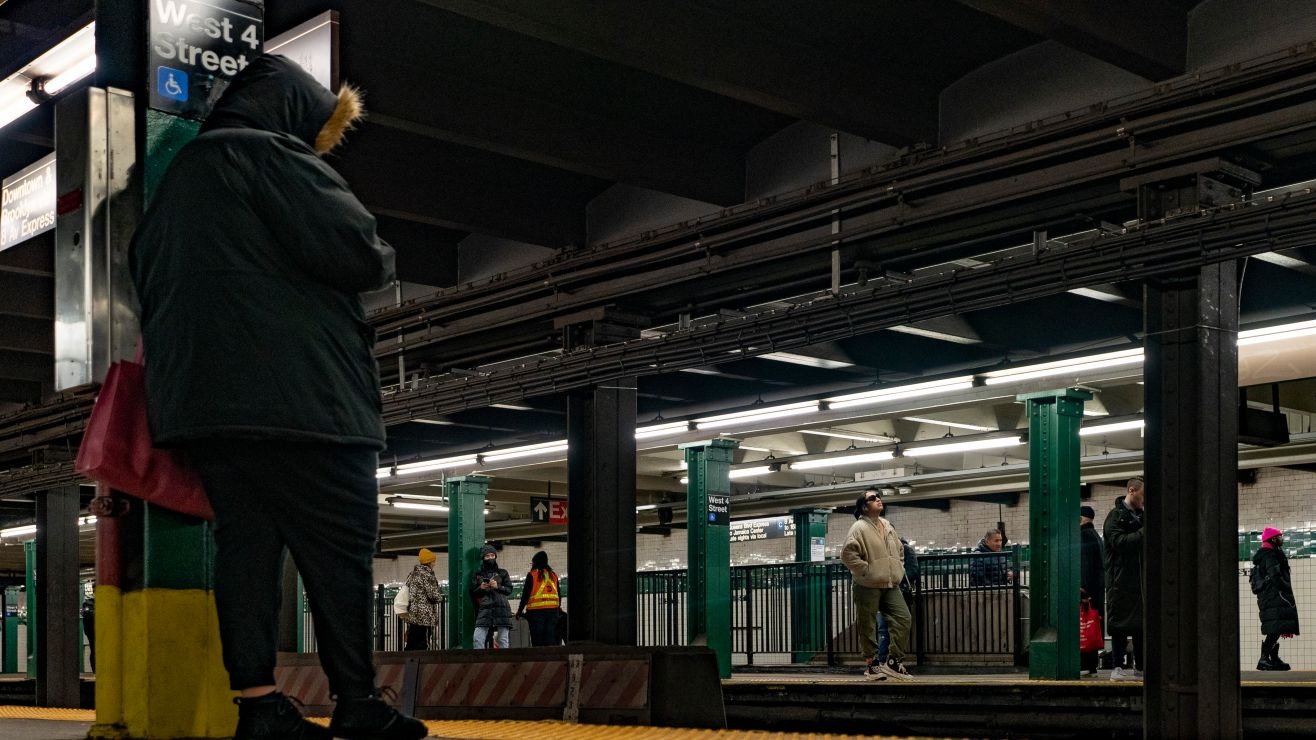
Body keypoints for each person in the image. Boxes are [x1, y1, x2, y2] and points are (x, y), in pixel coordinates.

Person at [129, 54, 424, 740]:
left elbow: (144, 277)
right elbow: (362, 254)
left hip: (208, 413)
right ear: (292, 112)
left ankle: (259, 704)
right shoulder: (274, 159)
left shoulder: (175, 186)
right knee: (340, 553)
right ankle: (357, 702)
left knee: (247, 551)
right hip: (306, 401)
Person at [841, 487, 913, 680]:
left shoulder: (887, 525)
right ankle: (872, 665)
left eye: (879, 497)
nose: (878, 499)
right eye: (873, 498)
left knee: (904, 618)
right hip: (867, 584)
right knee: (868, 624)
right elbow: (848, 554)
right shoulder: (859, 528)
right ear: (864, 507)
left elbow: (899, 550)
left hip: (890, 584)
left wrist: (899, 568)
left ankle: (893, 662)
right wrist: (866, 571)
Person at [1104, 476, 1145, 681]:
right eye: (1142, 495)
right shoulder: (1115, 516)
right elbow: (1118, 542)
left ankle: (1141, 666)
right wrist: (1144, 533)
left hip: (1138, 579)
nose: (1144, 500)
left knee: (1140, 624)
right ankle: (1117, 666)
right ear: (1131, 491)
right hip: (1119, 580)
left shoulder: (1141, 516)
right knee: (1119, 623)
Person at [1252, 527, 1299, 670]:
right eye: (1280, 536)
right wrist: (1285, 588)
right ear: (1273, 539)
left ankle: (1272, 658)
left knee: (1276, 626)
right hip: (1274, 596)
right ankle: (1264, 659)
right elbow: (1275, 576)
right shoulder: (1271, 555)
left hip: (1271, 596)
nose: (1282, 539)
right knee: (1275, 627)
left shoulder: (1270, 554)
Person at [877, 537, 919, 666]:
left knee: (895, 627)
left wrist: (894, 576)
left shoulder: (906, 550)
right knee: (884, 629)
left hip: (898, 593)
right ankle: (884, 660)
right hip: (884, 593)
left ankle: (891, 660)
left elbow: (912, 572)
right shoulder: (882, 551)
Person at [515, 551, 561, 647]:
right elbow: (558, 594)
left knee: (537, 639)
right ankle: (552, 659)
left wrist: (519, 611)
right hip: (553, 612)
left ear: (535, 562)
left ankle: (540, 660)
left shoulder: (532, 575)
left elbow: (525, 595)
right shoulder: (553, 575)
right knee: (550, 637)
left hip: (536, 613)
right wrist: (558, 608)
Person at [471, 545, 513, 648]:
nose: (490, 558)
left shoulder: (503, 573)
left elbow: (509, 590)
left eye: (492, 555)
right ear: (483, 558)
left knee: (503, 639)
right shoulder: (477, 574)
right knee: (478, 637)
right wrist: (481, 587)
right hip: (485, 609)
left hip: (502, 608)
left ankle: (504, 662)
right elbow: (473, 592)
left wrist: (497, 586)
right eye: (487, 556)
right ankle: (479, 662)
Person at [401, 548, 441, 651]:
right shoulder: (427, 575)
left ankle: (406, 662)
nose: (434, 564)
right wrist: (439, 597)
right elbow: (433, 595)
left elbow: (406, 591)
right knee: (422, 642)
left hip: (412, 613)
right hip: (424, 615)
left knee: (412, 641)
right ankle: (420, 664)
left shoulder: (412, 574)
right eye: (434, 561)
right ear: (430, 562)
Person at [1079, 506, 1105, 627]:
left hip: (1087, 592)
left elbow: (1085, 565)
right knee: (1095, 627)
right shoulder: (1096, 535)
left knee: (1086, 629)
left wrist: (1083, 592)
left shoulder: (1083, 535)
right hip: (1097, 590)